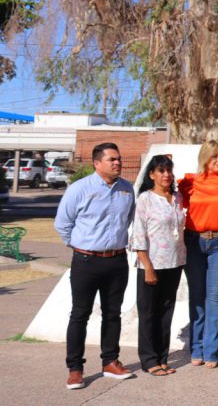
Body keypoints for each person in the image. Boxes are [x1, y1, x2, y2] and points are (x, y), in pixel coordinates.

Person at [54, 142, 136, 389]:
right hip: (86, 261)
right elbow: (62, 224)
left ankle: (110, 362)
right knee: (80, 314)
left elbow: (129, 220)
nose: (118, 163)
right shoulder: (79, 189)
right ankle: (75, 368)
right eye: (112, 159)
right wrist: (81, 247)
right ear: (97, 163)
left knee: (113, 314)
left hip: (117, 261)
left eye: (119, 159)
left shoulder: (126, 189)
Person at [179, 140, 218, 368]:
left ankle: (212, 351)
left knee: (214, 295)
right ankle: (196, 348)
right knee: (197, 295)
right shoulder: (189, 183)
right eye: (215, 156)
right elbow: (175, 210)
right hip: (194, 242)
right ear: (205, 157)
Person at [131, 154, 186, 377]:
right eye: (161, 171)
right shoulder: (145, 199)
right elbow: (139, 235)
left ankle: (162, 358)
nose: (166, 175)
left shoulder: (178, 197)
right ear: (152, 174)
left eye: (168, 170)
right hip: (151, 264)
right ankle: (149, 359)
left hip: (175, 263)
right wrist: (148, 267)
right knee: (148, 313)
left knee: (165, 313)